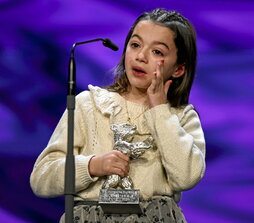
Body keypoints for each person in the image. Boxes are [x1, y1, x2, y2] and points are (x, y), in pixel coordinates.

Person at [30, 8, 206, 223]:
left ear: (178, 69)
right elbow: (41, 179)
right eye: (135, 45)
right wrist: (93, 165)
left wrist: (159, 111)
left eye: (157, 52)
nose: (140, 56)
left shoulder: (182, 116)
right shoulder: (88, 104)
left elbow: (186, 177)